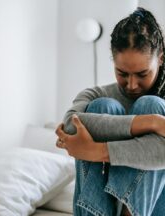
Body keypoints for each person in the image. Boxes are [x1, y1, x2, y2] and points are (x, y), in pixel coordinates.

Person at [55, 7, 165, 216]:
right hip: (95, 209)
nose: (132, 84)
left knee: (152, 104)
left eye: (142, 73)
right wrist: (152, 122)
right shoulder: (95, 94)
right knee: (102, 107)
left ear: (160, 58)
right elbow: (70, 126)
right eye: (122, 73)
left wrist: (97, 151)